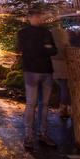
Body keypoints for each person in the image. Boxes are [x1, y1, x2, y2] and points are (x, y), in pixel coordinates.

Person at [16, 11, 58, 149]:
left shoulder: (45, 32)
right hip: (34, 72)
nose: (38, 19)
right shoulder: (26, 33)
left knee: (43, 104)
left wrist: (39, 49)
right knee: (32, 104)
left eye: (39, 17)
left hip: (44, 71)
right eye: (35, 17)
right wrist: (44, 48)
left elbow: (53, 50)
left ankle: (41, 134)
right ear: (30, 18)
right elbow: (48, 49)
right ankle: (30, 135)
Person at [50, 25, 71, 119]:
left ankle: (59, 106)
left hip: (52, 67)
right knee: (64, 88)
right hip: (63, 68)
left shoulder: (51, 43)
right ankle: (64, 108)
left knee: (59, 87)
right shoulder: (64, 44)